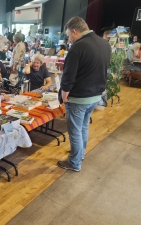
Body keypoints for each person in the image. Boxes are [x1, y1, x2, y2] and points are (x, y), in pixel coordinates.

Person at [57, 17, 111, 172]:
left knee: (74, 131)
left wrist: (64, 93)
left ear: (74, 31)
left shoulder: (77, 47)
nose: (69, 39)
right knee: (83, 127)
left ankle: (74, 163)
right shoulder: (104, 44)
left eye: (68, 35)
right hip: (96, 96)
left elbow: (68, 76)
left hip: (79, 98)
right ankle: (80, 154)